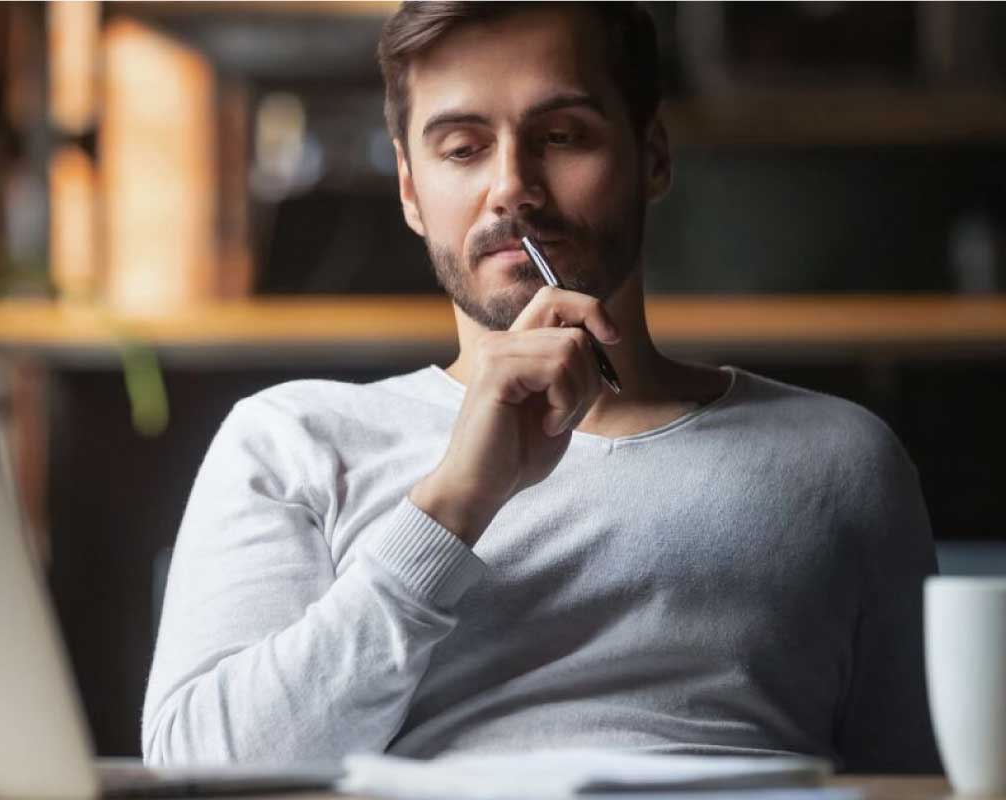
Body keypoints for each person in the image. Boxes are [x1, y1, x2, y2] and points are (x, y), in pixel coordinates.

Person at [143, 2, 941, 773]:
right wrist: (453, 504)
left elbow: (928, 783)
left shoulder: (841, 460)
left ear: (653, 156)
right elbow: (203, 772)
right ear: (411, 190)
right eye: (461, 148)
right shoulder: (293, 441)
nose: (512, 188)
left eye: (561, 136)